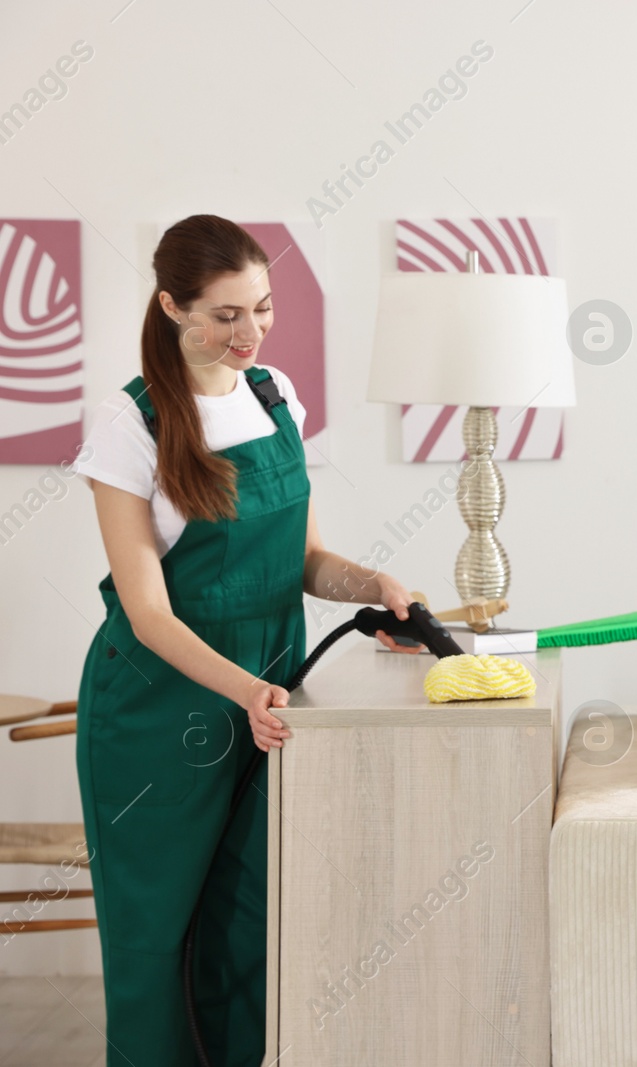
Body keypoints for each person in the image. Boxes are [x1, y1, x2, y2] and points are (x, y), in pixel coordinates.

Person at [72, 214, 423, 1066]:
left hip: (267, 697)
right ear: (171, 307)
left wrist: (371, 585)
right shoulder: (130, 426)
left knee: (250, 926)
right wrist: (245, 691)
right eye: (226, 315)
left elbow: (300, 560)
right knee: (158, 939)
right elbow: (149, 613)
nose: (251, 332)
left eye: (262, 308)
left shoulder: (275, 397)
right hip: (158, 714)